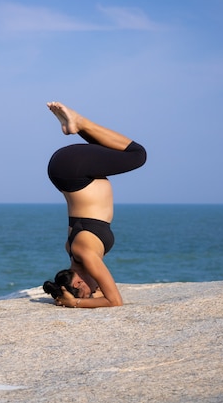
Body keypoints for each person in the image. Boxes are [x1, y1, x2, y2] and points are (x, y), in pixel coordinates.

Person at [43, 101, 146, 308]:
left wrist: (76, 303)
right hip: (66, 171)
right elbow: (102, 290)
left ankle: (79, 123)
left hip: (73, 170)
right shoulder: (74, 251)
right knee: (115, 150)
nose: (93, 293)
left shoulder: (86, 255)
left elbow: (114, 301)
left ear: (78, 282)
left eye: (87, 293)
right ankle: (76, 125)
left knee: (138, 155)